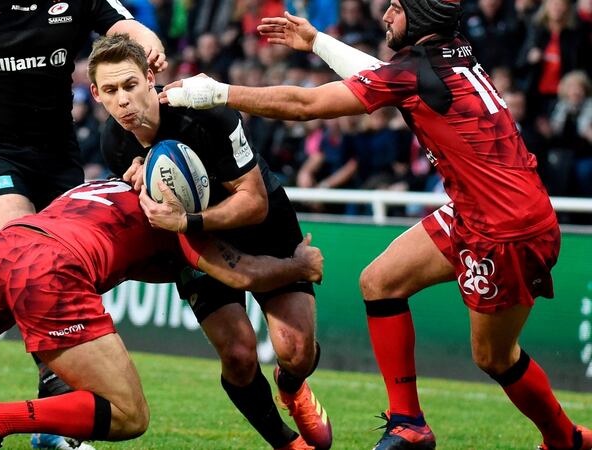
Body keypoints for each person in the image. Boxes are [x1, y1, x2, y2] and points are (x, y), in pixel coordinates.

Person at [161, 5, 592, 450]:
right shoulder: (448, 54)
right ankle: (408, 423)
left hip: (505, 229)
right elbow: (385, 74)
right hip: (485, 209)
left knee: (495, 357)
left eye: (397, 8)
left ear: (420, 17)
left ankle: (565, 440)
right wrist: (317, 41)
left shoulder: (416, 71)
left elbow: (307, 104)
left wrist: (217, 92)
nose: (386, 14)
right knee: (380, 282)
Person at [0, 179, 324, 450]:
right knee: (128, 416)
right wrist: (297, 266)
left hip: (9, 244)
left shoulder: (103, 183)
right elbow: (241, 275)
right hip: (55, 269)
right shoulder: (173, 214)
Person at [0, 2, 166, 447]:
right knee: (26, 255)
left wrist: (150, 47)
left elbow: (127, 26)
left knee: (58, 274)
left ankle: (52, 422)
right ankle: (50, 402)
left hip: (57, 152)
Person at [90, 34, 331, 450]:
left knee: (296, 353)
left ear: (150, 78)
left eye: (130, 85)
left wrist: (188, 219)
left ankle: (292, 385)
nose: (123, 100)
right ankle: (287, 444)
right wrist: (143, 192)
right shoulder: (113, 142)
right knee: (238, 356)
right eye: (110, 91)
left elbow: (253, 203)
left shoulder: (205, 113)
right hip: (197, 237)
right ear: (95, 94)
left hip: (263, 224)